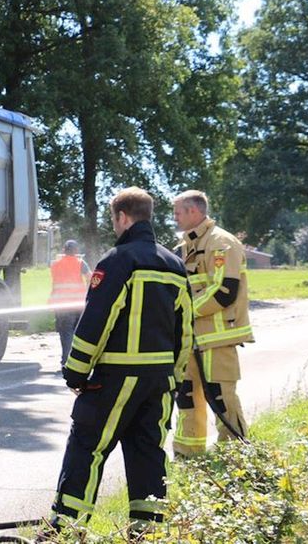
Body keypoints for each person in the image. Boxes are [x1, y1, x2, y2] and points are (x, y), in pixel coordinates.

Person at [48, 187, 192, 535]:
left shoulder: (118, 261)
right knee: (148, 456)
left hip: (114, 379)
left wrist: (76, 373)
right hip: (158, 384)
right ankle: (147, 533)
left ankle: (66, 530)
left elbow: (96, 321)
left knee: (87, 448)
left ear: (122, 217)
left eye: (114, 219)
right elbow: (186, 330)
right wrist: (174, 378)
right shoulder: (175, 265)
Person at [171, 190, 252, 457]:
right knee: (186, 398)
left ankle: (236, 457)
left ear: (194, 211)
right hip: (189, 339)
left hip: (217, 338)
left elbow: (224, 290)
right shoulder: (182, 248)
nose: (175, 218)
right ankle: (188, 456)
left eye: (178, 212)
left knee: (221, 398)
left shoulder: (222, 243)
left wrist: (185, 311)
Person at [49, 240, 91, 370]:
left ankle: (66, 360)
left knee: (65, 333)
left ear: (63, 250)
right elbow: (90, 278)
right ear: (76, 251)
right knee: (79, 334)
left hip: (62, 305)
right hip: (78, 304)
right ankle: (79, 362)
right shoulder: (80, 263)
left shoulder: (55, 264)